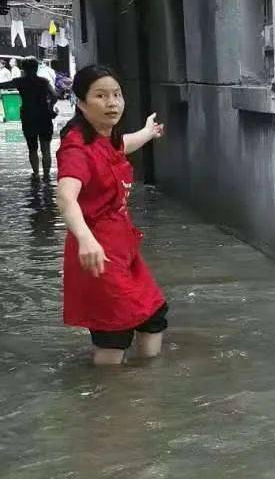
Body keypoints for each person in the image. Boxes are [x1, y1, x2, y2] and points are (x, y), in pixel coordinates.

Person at [55, 65, 167, 367]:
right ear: (80, 103)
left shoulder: (104, 136)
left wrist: (147, 133)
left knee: (152, 316)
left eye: (116, 94)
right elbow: (66, 196)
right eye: (101, 96)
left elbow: (121, 145)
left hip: (122, 248)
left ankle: (143, 385)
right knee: (114, 332)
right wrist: (85, 239)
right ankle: (105, 400)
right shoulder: (76, 148)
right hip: (98, 253)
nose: (112, 103)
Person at [9, 57, 58, 177]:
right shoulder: (43, 81)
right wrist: (50, 107)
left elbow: (3, 85)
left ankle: (36, 173)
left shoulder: (19, 81)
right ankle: (46, 175)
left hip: (28, 116)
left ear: (23, 68)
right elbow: (54, 96)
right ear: (36, 68)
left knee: (32, 148)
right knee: (45, 148)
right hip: (44, 116)